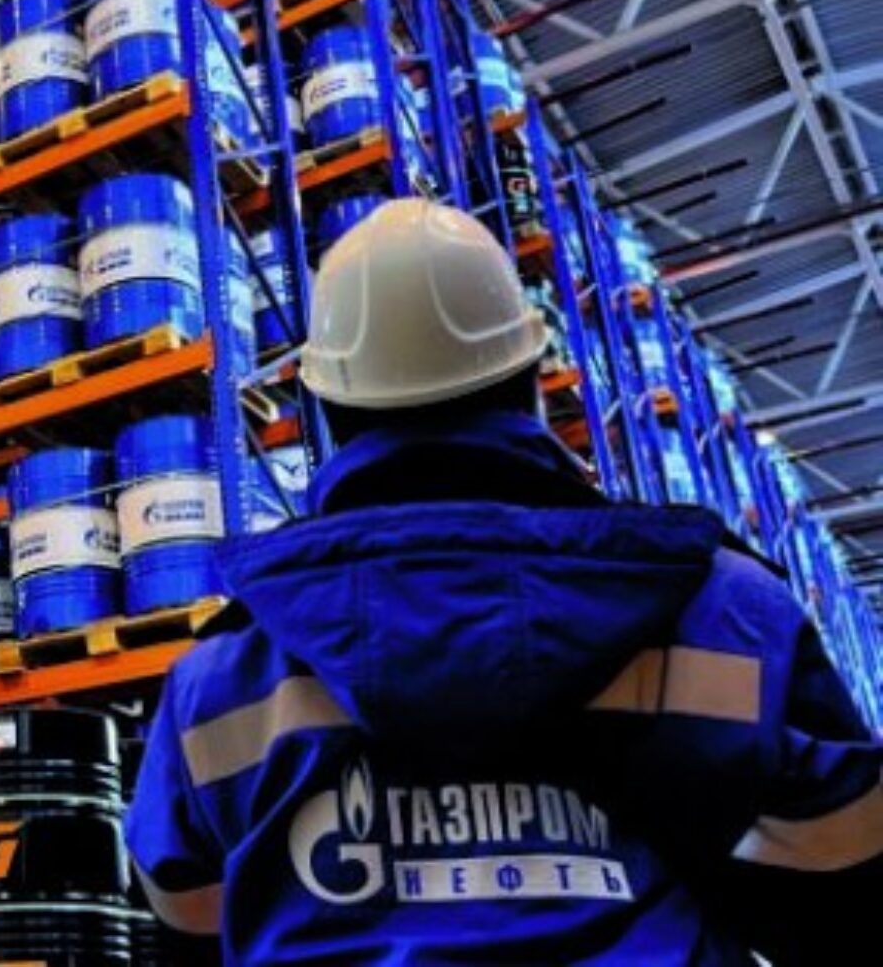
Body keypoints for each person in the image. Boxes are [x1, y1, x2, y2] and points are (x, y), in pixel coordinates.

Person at [125, 199, 882, 963]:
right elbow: (842, 880)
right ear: (532, 380)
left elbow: (192, 916)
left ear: (325, 408)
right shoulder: (727, 610)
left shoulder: (216, 680)